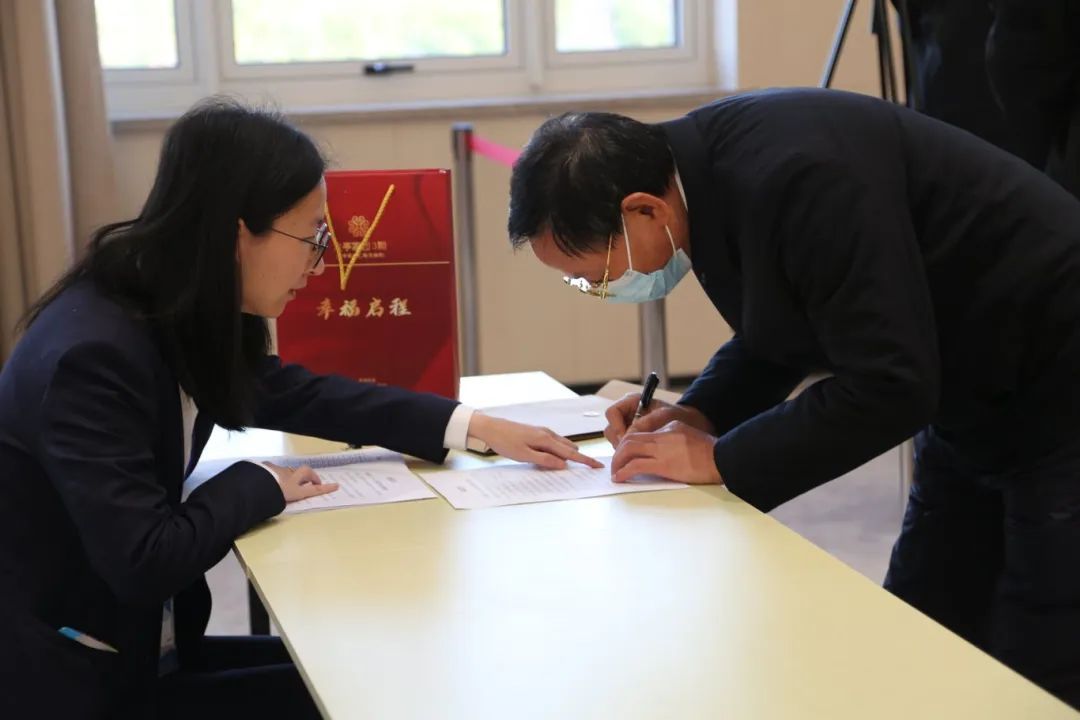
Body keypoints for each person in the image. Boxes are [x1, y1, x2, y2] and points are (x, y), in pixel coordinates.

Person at [0, 98, 599, 719]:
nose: (321, 260)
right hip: (83, 682)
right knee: (373, 696)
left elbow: (298, 393)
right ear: (237, 232)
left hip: (152, 649)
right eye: (312, 236)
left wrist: (473, 425)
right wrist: (257, 482)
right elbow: (144, 560)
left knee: (375, 673)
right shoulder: (92, 357)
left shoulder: (166, 306)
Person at [508, 87, 1080, 708]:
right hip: (970, 388)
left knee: (1044, 645)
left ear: (643, 210)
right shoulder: (702, 176)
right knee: (922, 625)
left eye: (593, 274)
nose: (597, 288)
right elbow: (781, 327)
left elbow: (889, 386)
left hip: (1054, 375)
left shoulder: (802, 175)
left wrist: (721, 457)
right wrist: (700, 412)